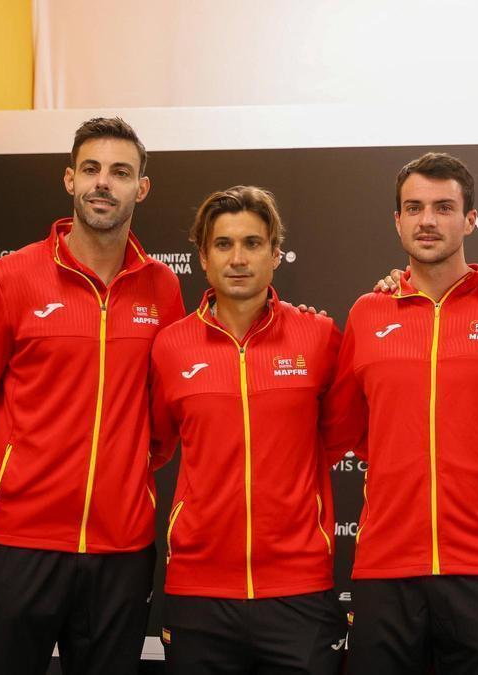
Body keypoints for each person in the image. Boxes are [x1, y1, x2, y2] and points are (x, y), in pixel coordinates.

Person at [0, 117, 184, 674]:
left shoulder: (163, 288)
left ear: (142, 188)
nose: (102, 183)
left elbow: (168, 414)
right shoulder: (10, 278)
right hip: (22, 545)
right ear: (69, 179)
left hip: (122, 552)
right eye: (90, 169)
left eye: (120, 172)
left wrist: (130, 467)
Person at [328, 152, 478, 674]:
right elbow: (343, 430)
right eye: (413, 208)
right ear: (396, 220)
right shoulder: (368, 312)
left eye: (443, 207)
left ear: (471, 218)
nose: (427, 220)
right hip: (384, 567)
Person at [149, 186, 351, 674]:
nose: (238, 258)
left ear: (276, 254)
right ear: (202, 256)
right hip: (198, 593)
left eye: (253, 243)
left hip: (299, 590)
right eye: (223, 244)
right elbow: (156, 443)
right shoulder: (169, 347)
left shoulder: (319, 337)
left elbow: (340, 434)